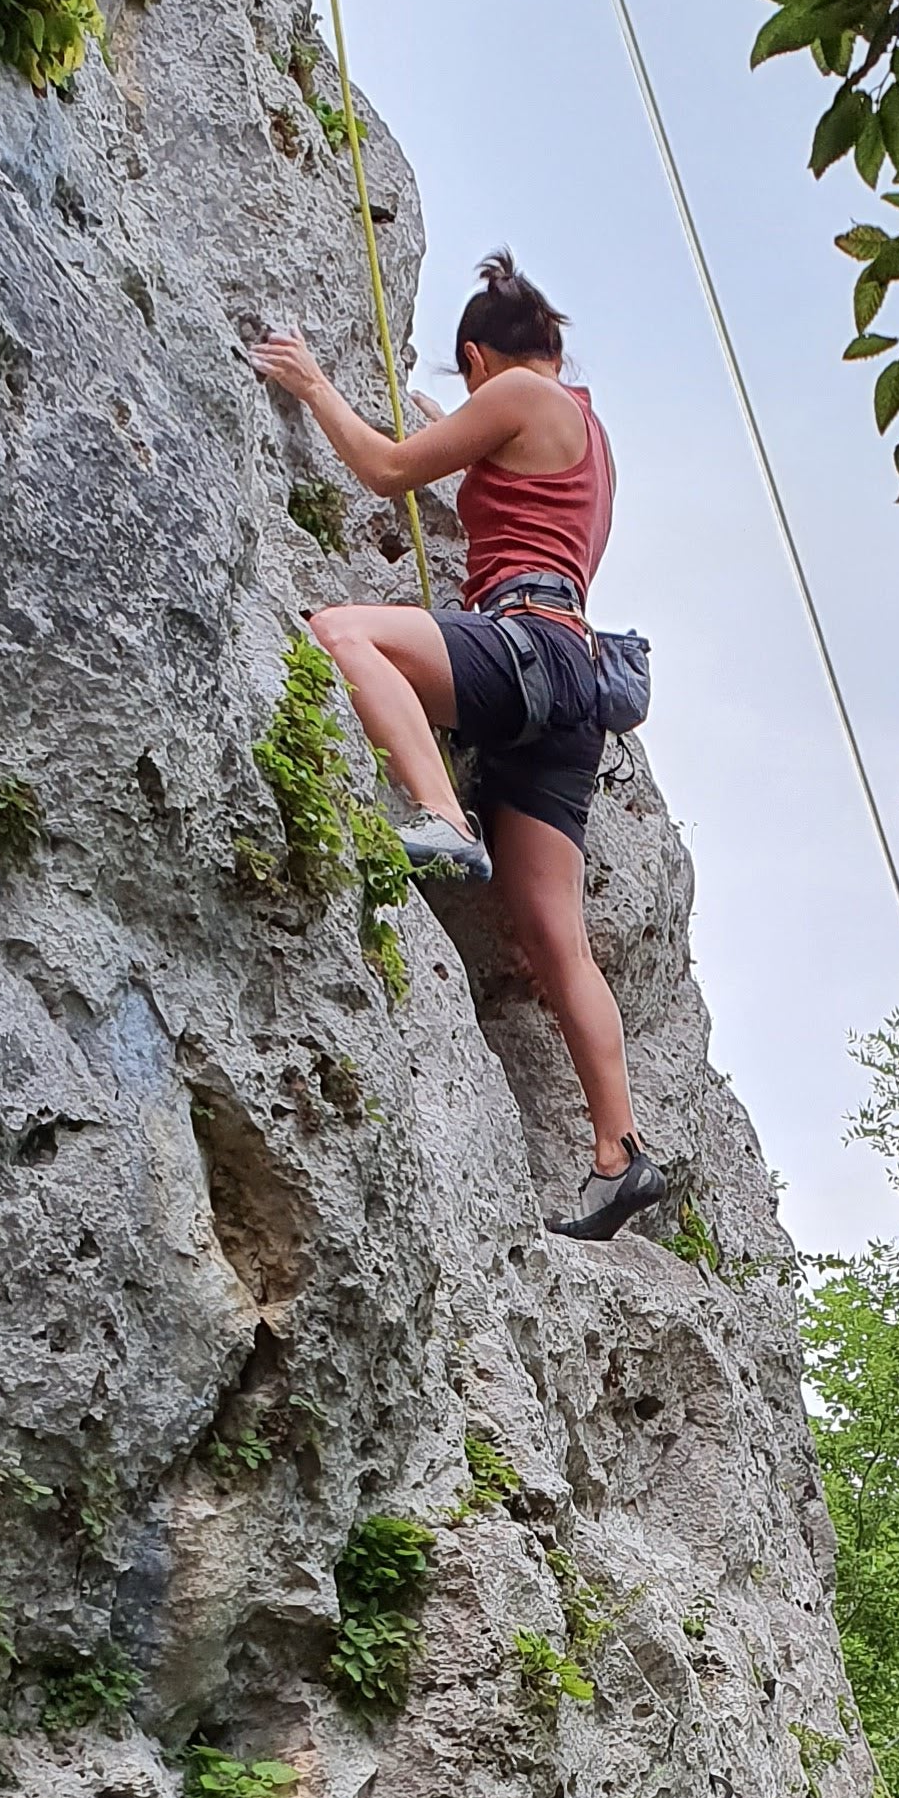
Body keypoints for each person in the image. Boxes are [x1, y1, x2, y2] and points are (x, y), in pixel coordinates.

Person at [250, 255, 669, 1244]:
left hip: (523, 648)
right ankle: (619, 1154)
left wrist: (313, 383)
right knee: (548, 934)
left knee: (340, 632)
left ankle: (441, 813)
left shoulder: (520, 393)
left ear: (479, 359)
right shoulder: (593, 435)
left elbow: (390, 469)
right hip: (575, 687)